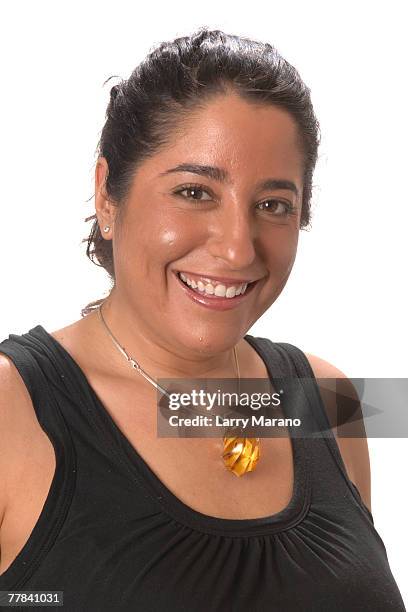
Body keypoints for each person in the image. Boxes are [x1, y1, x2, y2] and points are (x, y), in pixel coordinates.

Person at [0, 27, 405, 611]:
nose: (239, 249)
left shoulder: (328, 399)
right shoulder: (12, 409)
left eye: (273, 205)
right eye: (194, 192)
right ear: (107, 195)